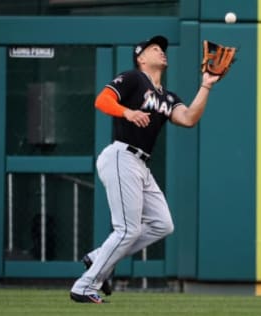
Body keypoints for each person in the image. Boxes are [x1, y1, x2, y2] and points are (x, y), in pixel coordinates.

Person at [70, 35, 220, 303]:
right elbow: (101, 100)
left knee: (163, 225)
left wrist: (206, 86)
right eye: (154, 49)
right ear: (140, 57)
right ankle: (85, 285)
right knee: (127, 229)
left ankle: (97, 258)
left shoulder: (167, 96)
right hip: (121, 155)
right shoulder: (132, 78)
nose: (162, 52)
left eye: (163, 49)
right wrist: (127, 112)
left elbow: (188, 119)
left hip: (141, 164)